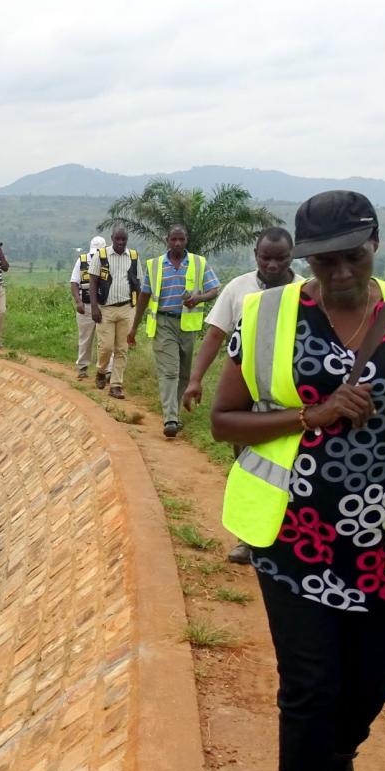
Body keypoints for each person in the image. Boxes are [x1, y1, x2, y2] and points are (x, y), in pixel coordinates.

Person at [211, 190, 385, 771]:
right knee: (309, 689)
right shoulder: (263, 316)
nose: (340, 274)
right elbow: (222, 420)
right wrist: (309, 414)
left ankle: (339, 753)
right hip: (292, 536)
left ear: (376, 244)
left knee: (369, 685)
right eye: (323, 263)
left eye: (352, 258)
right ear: (305, 259)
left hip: (382, 543)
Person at [182, 226, 303, 564]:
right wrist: (195, 379)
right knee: (249, 468)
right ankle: (248, 539)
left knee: (293, 470)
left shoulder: (307, 292)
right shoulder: (239, 289)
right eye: (266, 258)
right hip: (245, 399)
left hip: (292, 398)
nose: (273, 265)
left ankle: (285, 539)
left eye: (281, 258)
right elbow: (214, 336)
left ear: (291, 257)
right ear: (256, 256)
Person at [131, 224, 220, 437]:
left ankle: (175, 414)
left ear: (186, 240)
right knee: (169, 371)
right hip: (163, 323)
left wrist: (198, 298)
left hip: (187, 326)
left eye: (181, 239)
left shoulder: (199, 263)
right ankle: (170, 418)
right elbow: (144, 296)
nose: (177, 243)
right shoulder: (155, 265)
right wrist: (134, 327)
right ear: (167, 240)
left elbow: (214, 289)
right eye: (173, 239)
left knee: (184, 374)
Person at [89, 226, 141, 400]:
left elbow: (138, 283)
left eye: (123, 239)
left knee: (122, 348)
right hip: (106, 309)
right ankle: (101, 371)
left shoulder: (133, 257)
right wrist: (94, 307)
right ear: (112, 238)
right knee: (106, 347)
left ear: (127, 240)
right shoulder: (101, 256)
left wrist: (138, 310)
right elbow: (93, 281)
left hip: (127, 308)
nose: (120, 242)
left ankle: (116, 385)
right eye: (117, 239)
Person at [69, 235, 105, 380]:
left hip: (104, 306)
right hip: (86, 305)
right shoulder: (82, 261)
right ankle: (83, 367)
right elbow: (74, 282)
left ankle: (106, 370)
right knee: (85, 338)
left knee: (105, 340)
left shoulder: (108, 261)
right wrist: (78, 301)